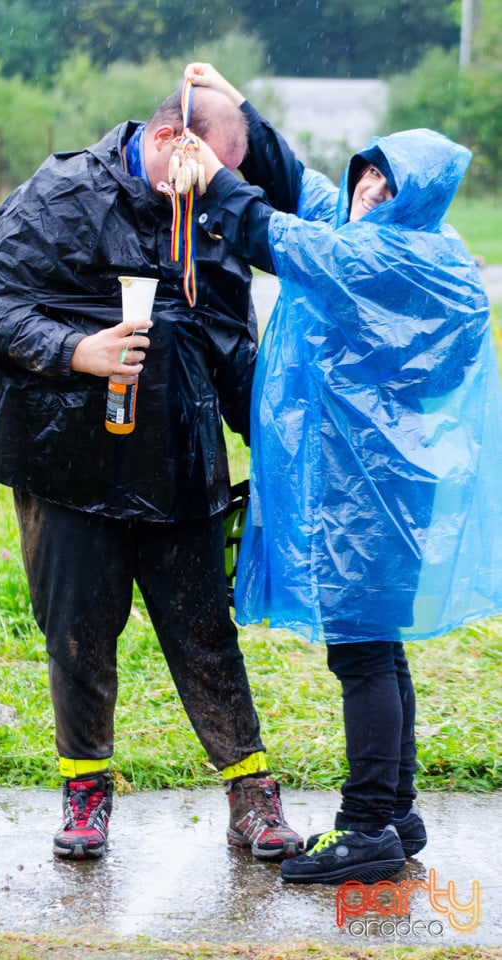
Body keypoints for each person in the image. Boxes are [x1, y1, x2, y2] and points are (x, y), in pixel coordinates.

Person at [0, 83, 308, 862]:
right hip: (69, 464)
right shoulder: (61, 194)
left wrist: (287, 454)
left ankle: (252, 795)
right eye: (213, 169)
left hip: (181, 463)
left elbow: (231, 346)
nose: (218, 188)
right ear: (170, 141)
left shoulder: (210, 214)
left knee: (204, 635)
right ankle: (86, 794)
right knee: (78, 634)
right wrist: (76, 350)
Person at [186, 63, 502, 884]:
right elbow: (300, 188)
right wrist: (240, 108)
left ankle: (366, 826)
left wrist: (213, 171)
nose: (363, 189)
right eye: (364, 174)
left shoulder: (382, 262)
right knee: (378, 648)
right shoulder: (413, 248)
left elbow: (270, 232)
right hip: (393, 490)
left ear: (413, 197)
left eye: (381, 182)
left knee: (360, 653)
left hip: (370, 498)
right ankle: (396, 813)